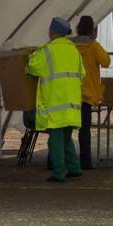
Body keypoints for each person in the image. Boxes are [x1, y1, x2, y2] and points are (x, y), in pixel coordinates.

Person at [26, 17, 85, 183]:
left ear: (52, 32)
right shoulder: (74, 50)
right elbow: (82, 74)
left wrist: (30, 57)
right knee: (66, 138)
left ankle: (59, 172)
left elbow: (33, 66)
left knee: (55, 140)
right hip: (72, 103)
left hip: (55, 103)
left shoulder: (47, 50)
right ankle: (74, 169)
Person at [72, 15, 111, 170]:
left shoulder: (70, 45)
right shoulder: (94, 46)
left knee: (64, 130)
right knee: (84, 131)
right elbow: (106, 62)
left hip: (70, 92)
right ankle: (85, 162)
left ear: (78, 28)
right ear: (92, 30)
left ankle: (55, 161)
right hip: (87, 95)